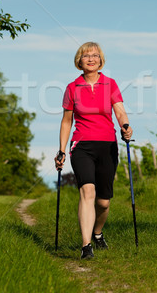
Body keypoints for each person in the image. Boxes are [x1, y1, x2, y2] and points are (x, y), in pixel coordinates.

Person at [55, 42, 133, 260]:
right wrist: (61, 150)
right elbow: (66, 122)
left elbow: (120, 111)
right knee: (87, 192)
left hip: (107, 144)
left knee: (103, 201)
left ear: (101, 60)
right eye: (86, 55)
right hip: (82, 145)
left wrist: (125, 126)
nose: (90, 59)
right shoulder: (72, 88)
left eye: (95, 55)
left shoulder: (110, 84)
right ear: (79, 61)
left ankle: (97, 234)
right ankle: (86, 245)